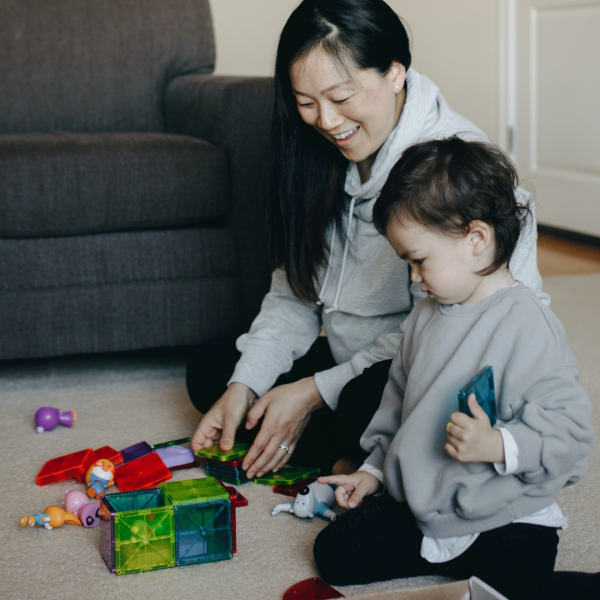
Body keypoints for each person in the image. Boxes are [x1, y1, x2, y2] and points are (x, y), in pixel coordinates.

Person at [187, 0, 548, 480]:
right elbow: (296, 289)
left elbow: (454, 336)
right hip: (351, 362)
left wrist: (314, 391)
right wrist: (246, 385)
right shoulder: (315, 152)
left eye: (342, 97)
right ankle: (351, 452)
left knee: (374, 402)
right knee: (216, 370)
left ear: (396, 74)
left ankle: (360, 456)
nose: (327, 121)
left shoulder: (455, 174)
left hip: (427, 366)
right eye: (306, 102)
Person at [315, 137, 597, 600]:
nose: (413, 277)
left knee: (510, 591)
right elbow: (396, 408)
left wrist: (498, 444)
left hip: (507, 514)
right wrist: (374, 471)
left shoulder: (527, 324)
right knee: (334, 555)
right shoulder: (425, 316)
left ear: (476, 239)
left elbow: (571, 436)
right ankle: (459, 562)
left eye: (419, 261)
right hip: (431, 507)